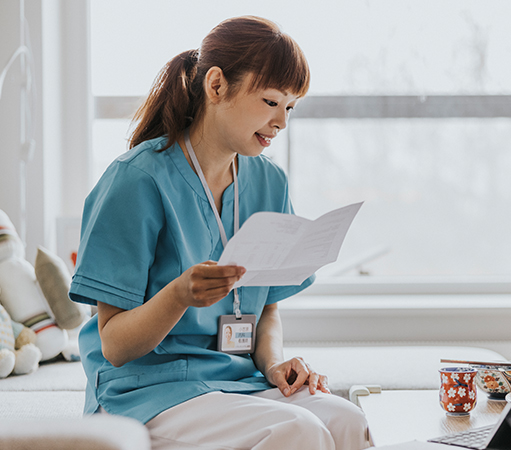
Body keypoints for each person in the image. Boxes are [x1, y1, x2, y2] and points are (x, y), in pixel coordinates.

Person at [69, 16, 370, 450]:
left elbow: (266, 308)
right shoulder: (136, 180)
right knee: (297, 430)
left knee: (346, 420)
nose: (281, 121)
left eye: (290, 107)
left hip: (236, 382)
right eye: (270, 102)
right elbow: (114, 344)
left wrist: (272, 365)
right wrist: (178, 296)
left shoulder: (270, 182)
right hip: (146, 392)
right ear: (216, 86)